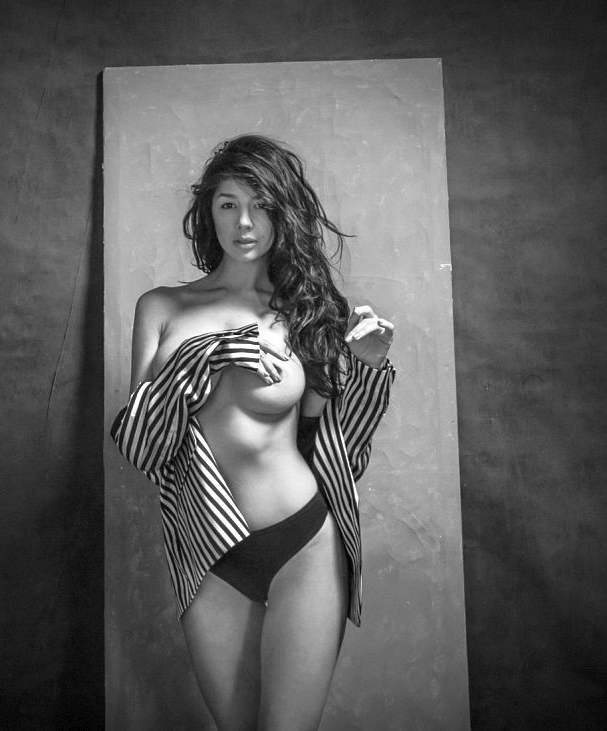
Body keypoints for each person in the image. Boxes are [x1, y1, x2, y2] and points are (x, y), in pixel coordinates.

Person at [111, 134, 395, 730]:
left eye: (261, 205)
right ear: (207, 211)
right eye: (228, 204)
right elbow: (142, 445)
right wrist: (209, 357)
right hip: (208, 551)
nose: (244, 223)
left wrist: (367, 367)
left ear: (282, 214)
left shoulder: (306, 311)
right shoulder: (161, 308)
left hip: (303, 542)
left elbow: (332, 445)